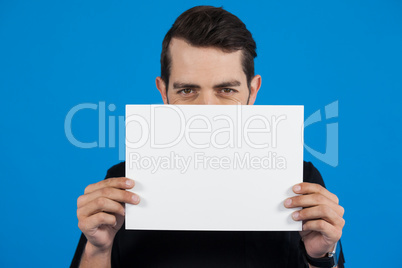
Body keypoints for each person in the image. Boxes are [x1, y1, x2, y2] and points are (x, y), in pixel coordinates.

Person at [71, 5, 345, 268]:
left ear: (253, 91)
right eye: (187, 91)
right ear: (163, 92)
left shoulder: (300, 183)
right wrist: (97, 249)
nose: (206, 110)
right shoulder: (122, 186)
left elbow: (321, 257)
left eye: (226, 90)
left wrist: (321, 258)